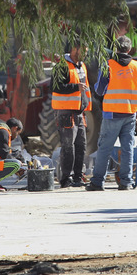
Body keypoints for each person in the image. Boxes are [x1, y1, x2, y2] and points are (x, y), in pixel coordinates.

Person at [86, 35, 137, 191]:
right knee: (127, 149)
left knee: (104, 148)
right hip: (130, 113)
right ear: (129, 49)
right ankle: (126, 182)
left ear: (116, 49)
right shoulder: (136, 66)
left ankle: (97, 182)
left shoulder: (108, 65)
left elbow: (99, 90)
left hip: (112, 113)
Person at [50, 39, 91, 188]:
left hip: (79, 112)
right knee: (68, 147)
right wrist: (75, 87)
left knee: (81, 146)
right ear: (75, 49)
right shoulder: (62, 66)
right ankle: (66, 178)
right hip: (66, 112)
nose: (85, 54)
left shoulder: (81, 66)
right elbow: (55, 87)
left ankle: (78, 177)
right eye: (83, 51)